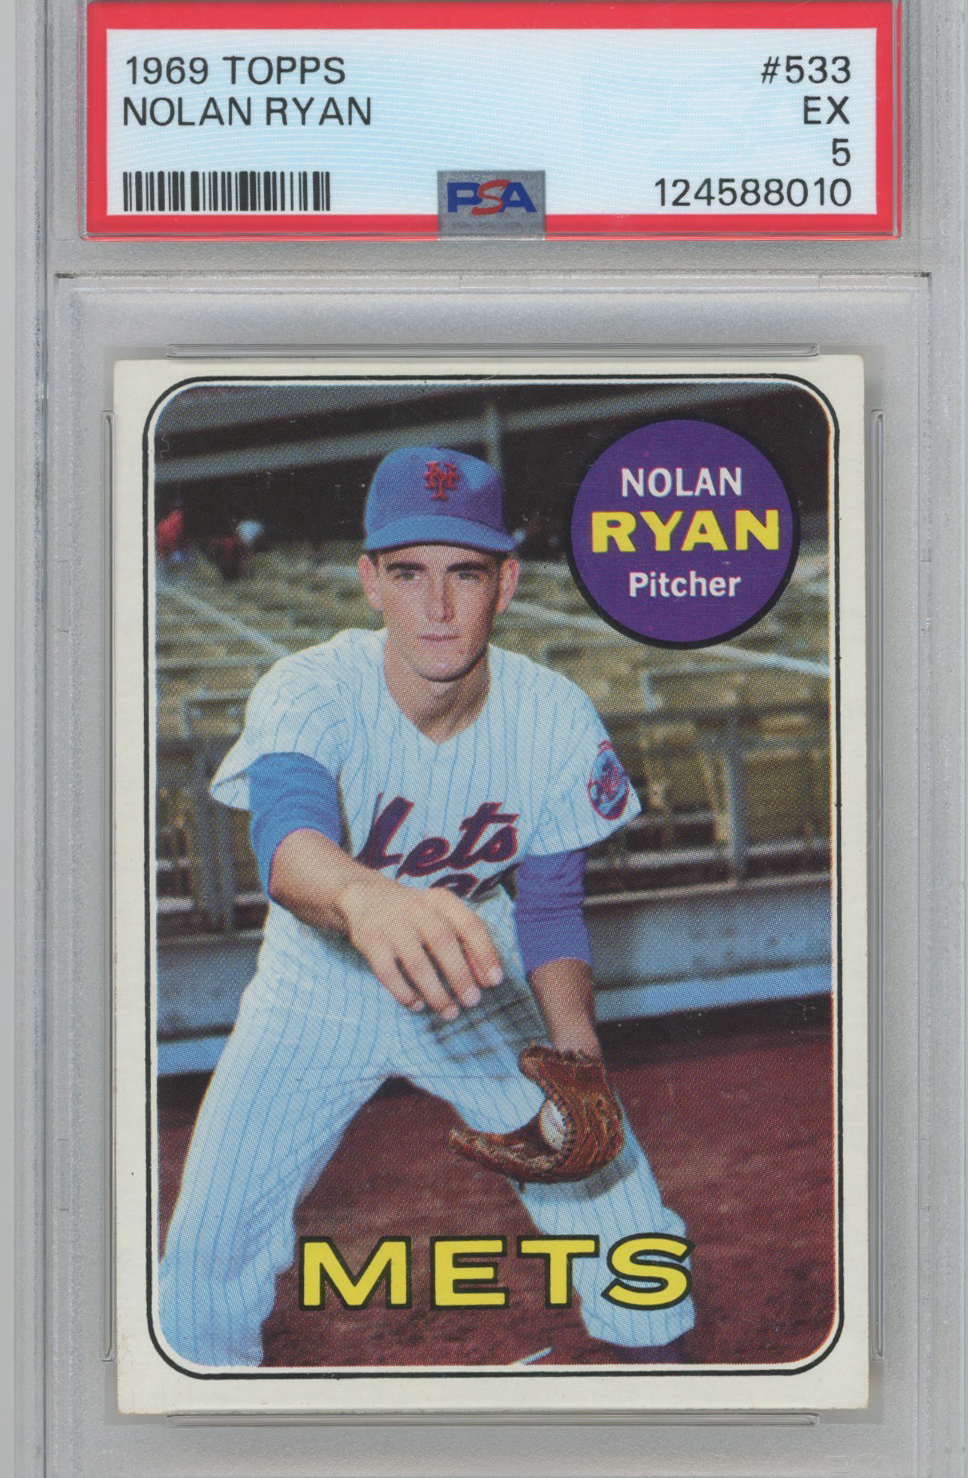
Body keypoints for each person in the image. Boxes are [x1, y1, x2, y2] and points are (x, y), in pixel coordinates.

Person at [158, 446, 694, 1367]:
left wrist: (578, 1062)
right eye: (408, 573)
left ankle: (670, 1402)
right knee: (211, 1243)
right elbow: (287, 846)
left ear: (506, 584)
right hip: (314, 988)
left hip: (474, 979)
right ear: (370, 581)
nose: (437, 605)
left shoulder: (554, 716)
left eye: (465, 573)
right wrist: (363, 896)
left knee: (621, 1212)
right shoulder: (313, 688)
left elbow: (552, 908)